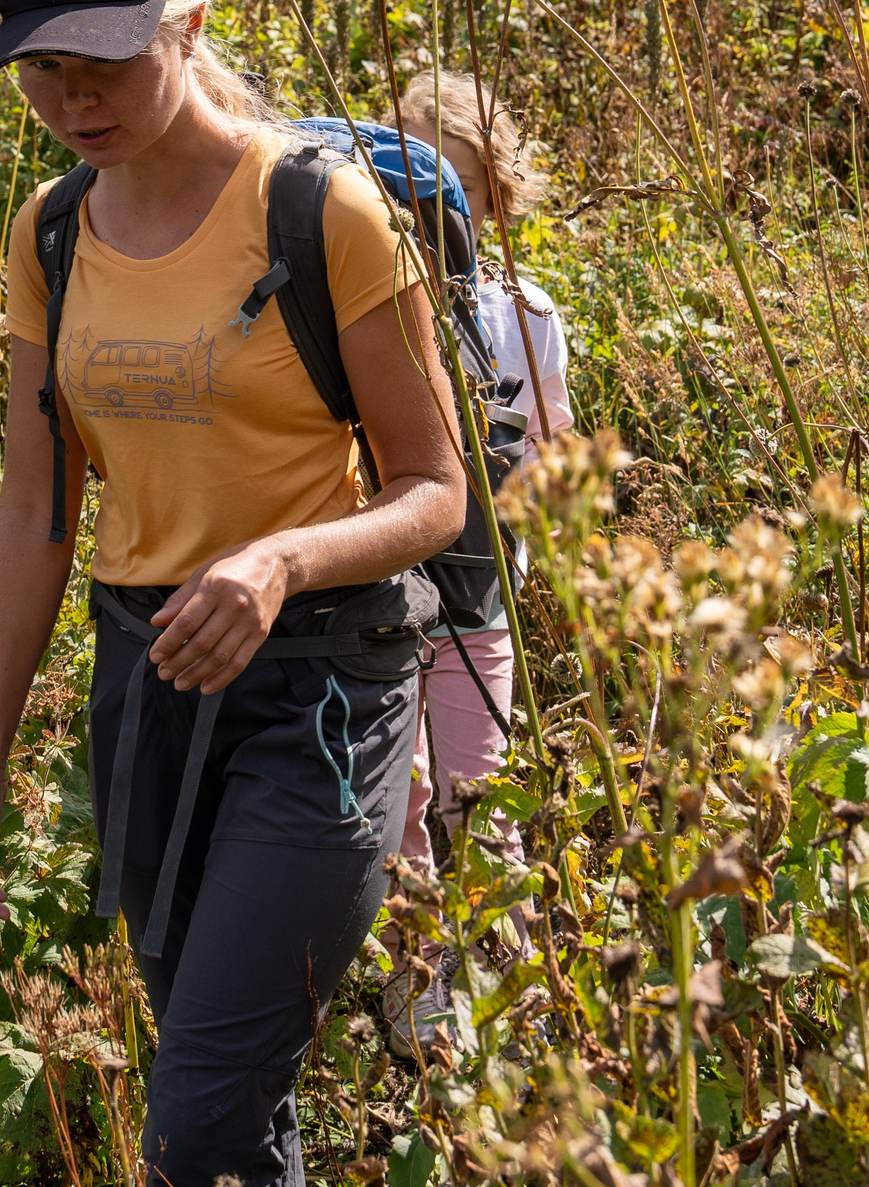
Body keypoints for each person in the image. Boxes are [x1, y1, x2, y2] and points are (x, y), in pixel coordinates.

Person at [0, 0, 470, 1187]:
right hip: (151, 688)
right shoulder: (50, 232)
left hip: (322, 693)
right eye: (42, 68)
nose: (73, 97)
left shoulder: (323, 211)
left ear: (189, 25)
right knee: (225, 1109)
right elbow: (34, 514)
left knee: (198, 1115)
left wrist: (282, 558)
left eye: (106, 60)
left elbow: (435, 488)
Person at [377, 70, 575, 1059]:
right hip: (378, 594)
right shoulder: (359, 301)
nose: (431, 223)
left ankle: (512, 985)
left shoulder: (522, 314)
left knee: (478, 793)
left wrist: (521, 537)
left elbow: (547, 448)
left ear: (492, 200)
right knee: (398, 796)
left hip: (475, 593)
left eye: (455, 196)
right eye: (410, 195)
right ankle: (418, 989)